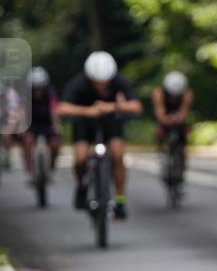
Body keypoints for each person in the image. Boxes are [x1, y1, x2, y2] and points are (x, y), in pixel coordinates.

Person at [57, 52, 142, 220]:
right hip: (84, 123)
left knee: (118, 154)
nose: (102, 85)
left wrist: (111, 107)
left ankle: (120, 200)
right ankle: (81, 186)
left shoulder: (119, 81)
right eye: (97, 82)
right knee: (80, 158)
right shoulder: (78, 83)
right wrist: (88, 111)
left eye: (105, 82)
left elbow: (136, 106)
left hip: (111, 124)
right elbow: (61, 107)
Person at [21, 66, 61, 180]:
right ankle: (29, 166)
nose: (38, 91)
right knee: (27, 141)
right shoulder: (26, 95)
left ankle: (52, 164)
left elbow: (54, 111)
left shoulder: (50, 94)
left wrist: (57, 126)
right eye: (35, 88)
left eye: (40, 87)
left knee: (55, 143)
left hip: (47, 122)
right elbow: (22, 112)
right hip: (32, 122)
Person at [152, 70, 193, 174]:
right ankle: (161, 153)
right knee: (159, 132)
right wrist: (166, 120)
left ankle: (181, 171)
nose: (174, 97)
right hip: (164, 117)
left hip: (179, 119)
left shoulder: (187, 94)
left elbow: (184, 110)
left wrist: (180, 118)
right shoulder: (158, 93)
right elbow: (159, 111)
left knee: (182, 146)